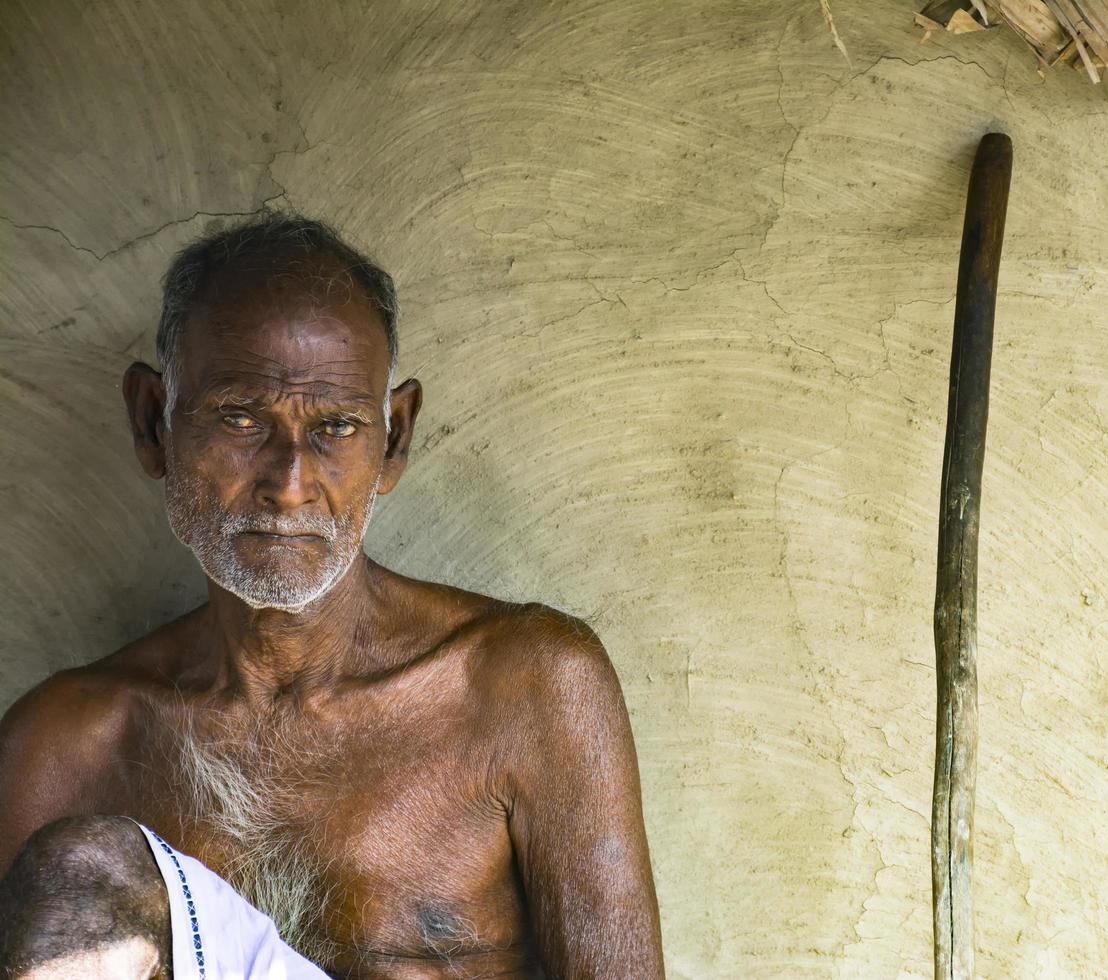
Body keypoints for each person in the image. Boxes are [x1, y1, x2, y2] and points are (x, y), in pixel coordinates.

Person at [0, 214, 663, 979]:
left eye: (337, 426)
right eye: (242, 418)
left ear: (395, 437)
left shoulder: (526, 688)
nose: (289, 485)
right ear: (155, 423)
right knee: (85, 869)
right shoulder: (66, 747)